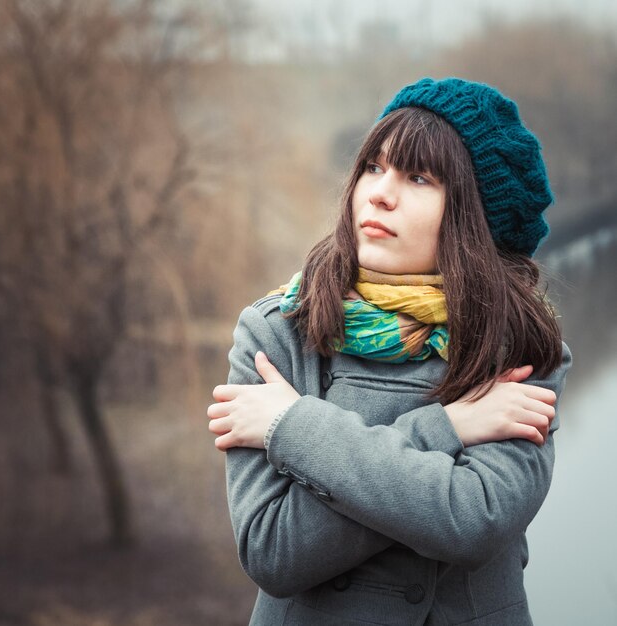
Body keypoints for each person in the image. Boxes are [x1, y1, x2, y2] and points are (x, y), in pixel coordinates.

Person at [206, 77, 572, 625]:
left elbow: (471, 520)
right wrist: (447, 429)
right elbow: (272, 551)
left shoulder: (519, 349)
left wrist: (292, 426)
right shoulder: (278, 330)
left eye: (418, 177)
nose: (379, 192)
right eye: (373, 167)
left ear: (474, 217)